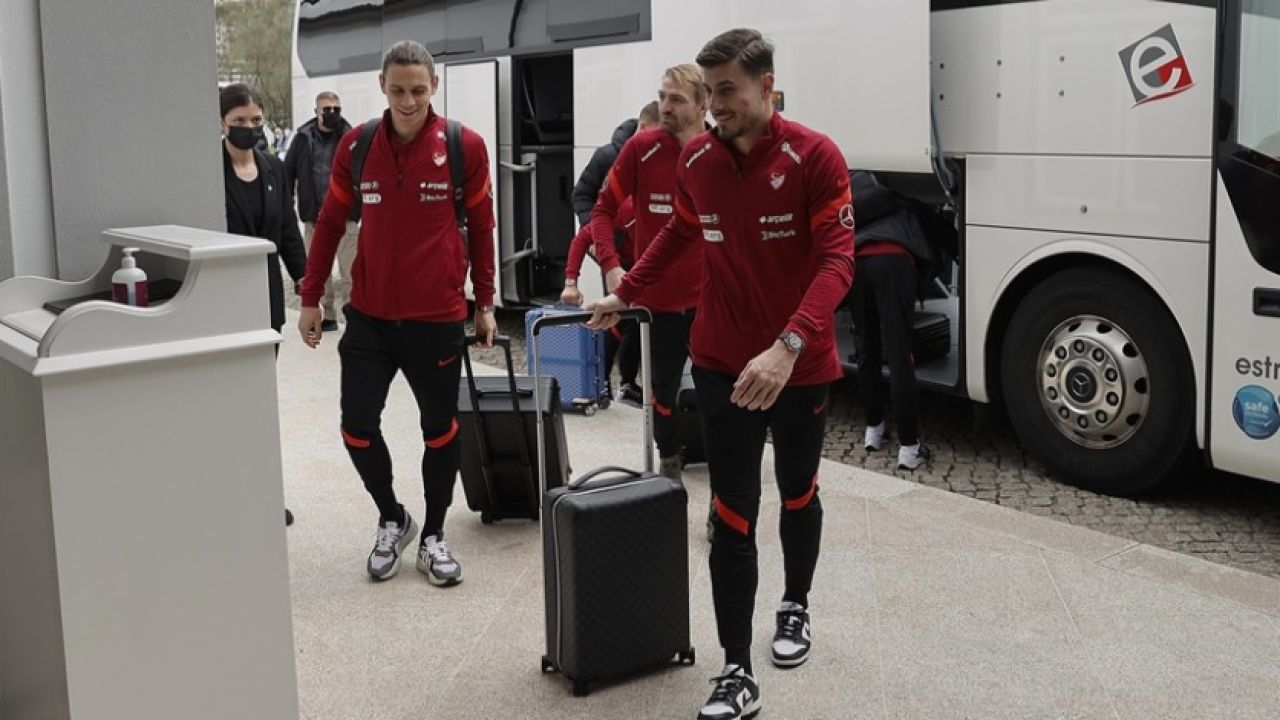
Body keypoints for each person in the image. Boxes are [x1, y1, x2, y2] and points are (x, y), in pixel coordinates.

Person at [588, 29, 854, 720]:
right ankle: (736, 670)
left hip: (799, 365)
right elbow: (679, 231)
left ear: (766, 86)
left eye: (727, 90)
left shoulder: (815, 156)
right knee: (732, 510)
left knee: (798, 491)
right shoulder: (698, 158)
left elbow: (837, 263)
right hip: (721, 363)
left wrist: (788, 345)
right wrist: (627, 291)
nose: (714, 105)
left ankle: (795, 605)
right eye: (708, 92)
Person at [297, 40, 497, 585]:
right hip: (370, 315)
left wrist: (484, 302)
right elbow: (330, 222)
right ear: (382, 86)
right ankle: (393, 518)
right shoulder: (359, 144)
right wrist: (311, 297)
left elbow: (482, 227)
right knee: (357, 427)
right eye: (398, 90)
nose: (408, 101)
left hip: (436, 317)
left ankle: (433, 535)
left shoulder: (463, 146)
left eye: (418, 90)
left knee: (440, 429)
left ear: (435, 86)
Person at [588, 65, 708, 481]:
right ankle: (669, 459)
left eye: (676, 99)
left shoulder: (721, 150)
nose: (666, 107)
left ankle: (725, 479)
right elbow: (602, 210)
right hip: (658, 303)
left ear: (702, 105)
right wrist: (611, 265)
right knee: (662, 392)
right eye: (662, 97)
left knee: (723, 392)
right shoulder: (641, 148)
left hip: (713, 300)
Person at [219, 83, 308, 527]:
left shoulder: (273, 167)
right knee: (228, 404)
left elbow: (288, 230)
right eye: (240, 122)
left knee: (260, 401)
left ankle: (264, 494)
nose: (250, 129)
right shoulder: (207, 171)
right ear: (222, 123)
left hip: (266, 301)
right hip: (223, 303)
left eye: (256, 121)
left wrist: (307, 283)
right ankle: (228, 492)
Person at [570, 102, 659, 405]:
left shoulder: (657, 154)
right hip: (613, 252)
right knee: (618, 318)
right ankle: (605, 380)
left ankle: (628, 382)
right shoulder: (608, 156)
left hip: (644, 250)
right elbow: (581, 196)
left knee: (637, 318)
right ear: (643, 128)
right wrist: (598, 239)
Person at [849, 172, 932, 469]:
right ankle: (909, 448)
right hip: (894, 261)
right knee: (899, 354)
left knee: (866, 348)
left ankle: (873, 430)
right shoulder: (901, 204)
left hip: (857, 263)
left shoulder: (859, 210)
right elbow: (932, 241)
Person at [286, 91, 358, 333]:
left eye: (336, 109)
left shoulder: (351, 138)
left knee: (351, 272)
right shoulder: (302, 138)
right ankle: (327, 314)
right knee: (319, 271)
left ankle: (354, 318)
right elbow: (289, 172)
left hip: (346, 217)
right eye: (327, 109)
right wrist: (287, 204)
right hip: (315, 217)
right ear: (316, 111)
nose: (332, 113)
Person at [560, 198, 641, 402]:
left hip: (643, 265)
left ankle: (624, 383)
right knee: (620, 319)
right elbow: (581, 240)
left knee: (634, 322)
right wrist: (570, 283)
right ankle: (607, 382)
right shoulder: (623, 211)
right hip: (619, 265)